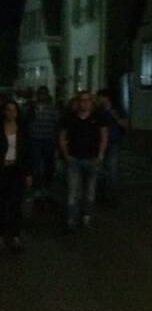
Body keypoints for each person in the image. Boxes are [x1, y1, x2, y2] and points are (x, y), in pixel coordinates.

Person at [58, 90, 108, 231]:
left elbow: (104, 136)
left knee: (90, 191)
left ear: (91, 102)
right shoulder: (69, 118)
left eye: (87, 100)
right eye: (81, 100)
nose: (84, 103)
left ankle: (86, 218)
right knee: (73, 191)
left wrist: (100, 154)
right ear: (77, 102)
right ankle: (71, 220)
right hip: (74, 160)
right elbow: (62, 137)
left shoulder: (98, 117)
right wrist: (66, 155)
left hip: (92, 159)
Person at [0, 100, 31, 252]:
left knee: (16, 204)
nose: (11, 113)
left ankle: (15, 235)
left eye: (14, 110)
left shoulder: (22, 129)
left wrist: (28, 173)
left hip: (17, 170)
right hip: (2, 170)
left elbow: (27, 152)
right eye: (8, 109)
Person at [95, 88, 129, 206]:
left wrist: (115, 116)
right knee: (99, 171)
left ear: (106, 98)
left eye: (99, 97)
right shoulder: (98, 111)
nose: (98, 100)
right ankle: (101, 195)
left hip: (114, 143)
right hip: (99, 144)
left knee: (112, 171)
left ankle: (112, 196)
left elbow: (125, 124)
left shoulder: (117, 109)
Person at [26, 86, 59, 202]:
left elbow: (56, 125)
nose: (42, 96)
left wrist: (56, 143)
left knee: (48, 165)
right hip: (34, 140)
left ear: (47, 95)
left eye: (44, 94)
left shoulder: (52, 109)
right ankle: (37, 188)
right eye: (40, 93)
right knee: (35, 165)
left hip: (48, 140)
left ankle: (46, 187)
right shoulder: (31, 108)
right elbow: (26, 122)